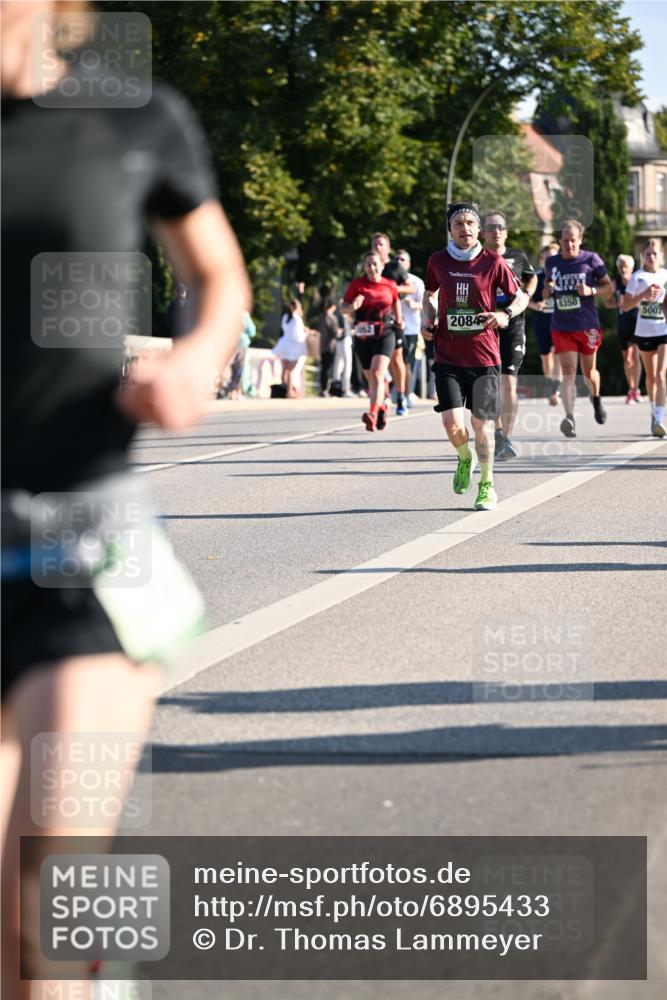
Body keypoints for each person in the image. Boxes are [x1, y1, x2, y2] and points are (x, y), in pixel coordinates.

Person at [1, 2, 251, 996]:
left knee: (43, 911)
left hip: (85, 546)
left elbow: (217, 275)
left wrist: (195, 358)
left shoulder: (137, 118)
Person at [421, 201, 528, 511]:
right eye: (458, 224)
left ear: (478, 228)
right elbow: (429, 295)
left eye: (470, 223)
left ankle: (487, 484)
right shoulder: (438, 261)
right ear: (450, 230)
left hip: (484, 357)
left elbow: (520, 296)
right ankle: (464, 458)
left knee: (481, 424)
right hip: (448, 355)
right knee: (452, 424)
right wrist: (429, 320)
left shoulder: (492, 262)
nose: (465, 228)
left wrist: (505, 313)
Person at [544, 219, 613, 438]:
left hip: (587, 326)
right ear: (560, 241)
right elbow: (545, 293)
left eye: (573, 241)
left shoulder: (591, 259)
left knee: (589, 373)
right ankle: (569, 417)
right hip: (562, 326)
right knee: (568, 373)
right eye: (565, 241)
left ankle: (597, 399)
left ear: (580, 240)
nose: (569, 245)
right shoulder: (552, 263)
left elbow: (609, 287)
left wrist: (590, 291)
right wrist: (548, 288)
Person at [482, 211, 538, 459]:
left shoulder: (517, 257)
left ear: (506, 231)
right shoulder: (478, 258)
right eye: (491, 227)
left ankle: (505, 437)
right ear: (484, 232)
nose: (496, 231)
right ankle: (496, 431)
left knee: (509, 382)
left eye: (500, 227)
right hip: (486, 328)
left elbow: (532, 277)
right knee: (491, 385)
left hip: (513, 326)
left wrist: (526, 294)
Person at [342, 251, 403, 431]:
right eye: (368, 264)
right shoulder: (356, 285)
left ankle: (372, 413)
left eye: (375, 264)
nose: (372, 267)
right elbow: (343, 308)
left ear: (382, 266)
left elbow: (395, 301)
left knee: (377, 373)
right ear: (364, 267)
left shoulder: (389, 284)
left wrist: (399, 319)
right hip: (363, 335)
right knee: (370, 377)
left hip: (385, 333)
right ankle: (382, 405)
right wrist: (352, 306)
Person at [622, 239, 667, 437]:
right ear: (643, 256)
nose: (651, 257)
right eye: (647, 254)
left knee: (660, 375)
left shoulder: (666, 275)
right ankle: (653, 411)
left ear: (661, 255)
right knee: (650, 377)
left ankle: (659, 418)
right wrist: (644, 295)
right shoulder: (637, 277)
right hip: (644, 331)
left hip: (663, 329)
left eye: (654, 253)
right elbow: (625, 306)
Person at [370, 233, 413, 415]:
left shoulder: (395, 267)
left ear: (388, 248)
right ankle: (384, 396)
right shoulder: (368, 267)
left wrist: (392, 288)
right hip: (373, 321)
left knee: (396, 359)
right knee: (377, 361)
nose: (377, 247)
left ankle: (401, 396)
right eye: (375, 244)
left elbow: (410, 287)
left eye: (381, 244)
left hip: (394, 320)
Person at [526, 242, 562, 406]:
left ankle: (555, 390)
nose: (550, 261)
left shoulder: (562, 275)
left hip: (560, 321)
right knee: (546, 358)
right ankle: (550, 384)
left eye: (553, 257)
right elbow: (524, 299)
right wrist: (536, 306)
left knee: (557, 355)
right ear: (542, 259)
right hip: (541, 321)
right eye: (547, 258)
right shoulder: (536, 277)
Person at [605, 254, 641, 404]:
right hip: (622, 324)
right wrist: (618, 304)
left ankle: (633, 389)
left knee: (634, 355)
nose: (623, 269)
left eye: (625, 266)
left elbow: (645, 301)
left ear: (632, 268)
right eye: (620, 266)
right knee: (627, 359)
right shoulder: (615, 283)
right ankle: (632, 388)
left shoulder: (638, 281)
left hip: (637, 322)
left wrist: (631, 303)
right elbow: (607, 303)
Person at [393, 249, 425, 407]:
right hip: (391, 328)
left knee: (406, 363)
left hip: (410, 329)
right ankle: (394, 391)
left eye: (402, 260)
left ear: (409, 263)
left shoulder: (416, 282)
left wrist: (415, 305)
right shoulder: (389, 279)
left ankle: (406, 394)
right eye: (397, 259)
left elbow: (427, 305)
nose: (399, 262)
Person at [274, 298, 308, 398]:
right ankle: (289, 391)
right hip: (293, 347)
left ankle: (284, 389)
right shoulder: (296, 318)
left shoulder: (285, 317)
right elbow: (298, 335)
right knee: (291, 370)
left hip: (284, 344)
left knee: (285, 369)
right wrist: (306, 334)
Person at [317, 298, 341, 396]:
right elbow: (335, 333)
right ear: (333, 307)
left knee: (323, 368)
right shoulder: (332, 318)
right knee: (328, 369)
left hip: (321, 345)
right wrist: (340, 332)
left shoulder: (321, 317)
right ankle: (326, 389)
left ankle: (322, 388)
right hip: (330, 346)